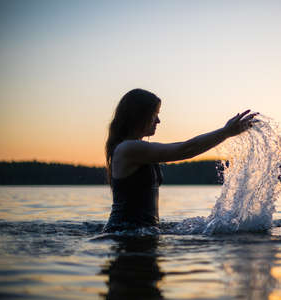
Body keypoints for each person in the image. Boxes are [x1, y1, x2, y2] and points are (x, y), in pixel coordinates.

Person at [103, 88, 257, 232]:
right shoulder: (128, 149)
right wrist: (226, 132)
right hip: (124, 234)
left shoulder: (135, 148)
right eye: (154, 114)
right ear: (139, 116)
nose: (158, 121)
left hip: (138, 233)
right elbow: (185, 149)